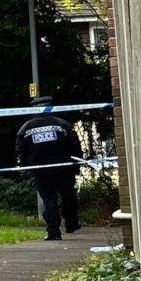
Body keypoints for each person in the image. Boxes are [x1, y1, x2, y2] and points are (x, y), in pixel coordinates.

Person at [15, 97, 83, 240]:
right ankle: (71, 223)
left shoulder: (26, 128)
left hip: (41, 171)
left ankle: (53, 232)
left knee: (49, 200)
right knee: (68, 196)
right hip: (64, 168)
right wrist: (77, 163)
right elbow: (75, 144)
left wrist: (26, 167)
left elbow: (21, 151)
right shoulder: (62, 124)